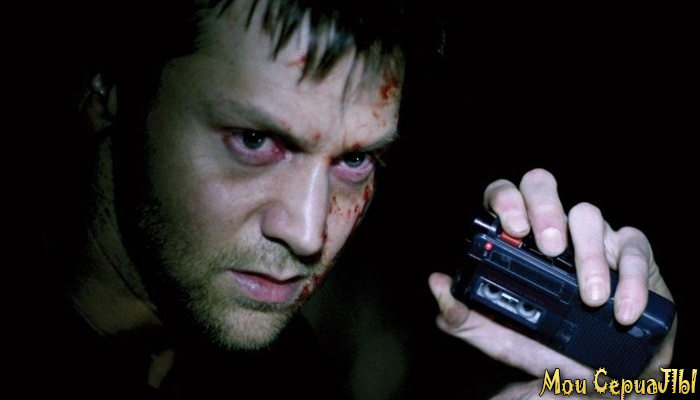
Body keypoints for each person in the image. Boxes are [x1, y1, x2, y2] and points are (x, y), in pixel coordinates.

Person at [21, 0, 676, 398]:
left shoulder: (279, 371)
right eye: (254, 140)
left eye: (356, 160)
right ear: (106, 87)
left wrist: (650, 384)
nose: (310, 232)